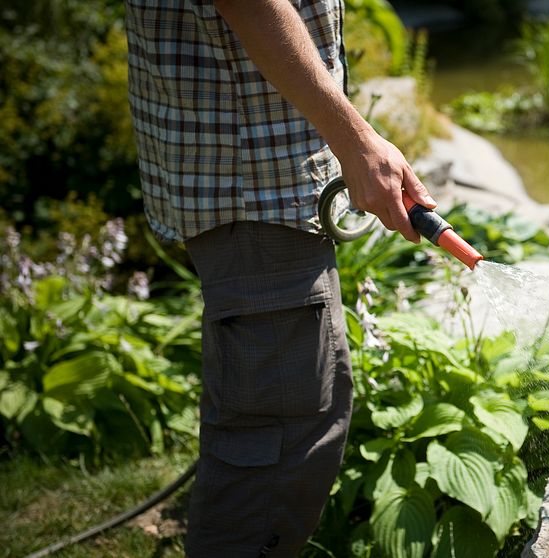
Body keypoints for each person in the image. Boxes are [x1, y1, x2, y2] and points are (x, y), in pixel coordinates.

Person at [124, 1, 435, 555]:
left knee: (271, 429)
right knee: (276, 446)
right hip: (254, 190)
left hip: (253, 182)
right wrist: (355, 137)